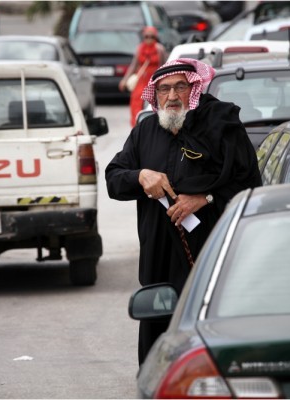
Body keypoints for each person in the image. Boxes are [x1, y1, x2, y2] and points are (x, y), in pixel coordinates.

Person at [106, 59, 262, 364]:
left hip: (211, 256)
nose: (172, 96)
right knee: (159, 349)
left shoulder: (220, 126)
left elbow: (250, 186)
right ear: (155, 95)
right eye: (164, 89)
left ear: (194, 88)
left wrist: (206, 197)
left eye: (180, 86)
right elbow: (114, 179)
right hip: (159, 260)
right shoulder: (145, 132)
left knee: (210, 347)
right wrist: (140, 176)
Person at [118, 26, 168, 127]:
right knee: (136, 105)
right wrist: (124, 80)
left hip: (153, 81)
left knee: (152, 106)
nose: (149, 39)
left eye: (152, 37)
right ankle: (136, 127)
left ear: (155, 37)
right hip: (141, 82)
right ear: (143, 37)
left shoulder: (159, 49)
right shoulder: (140, 48)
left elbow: (165, 66)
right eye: (147, 37)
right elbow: (133, 65)